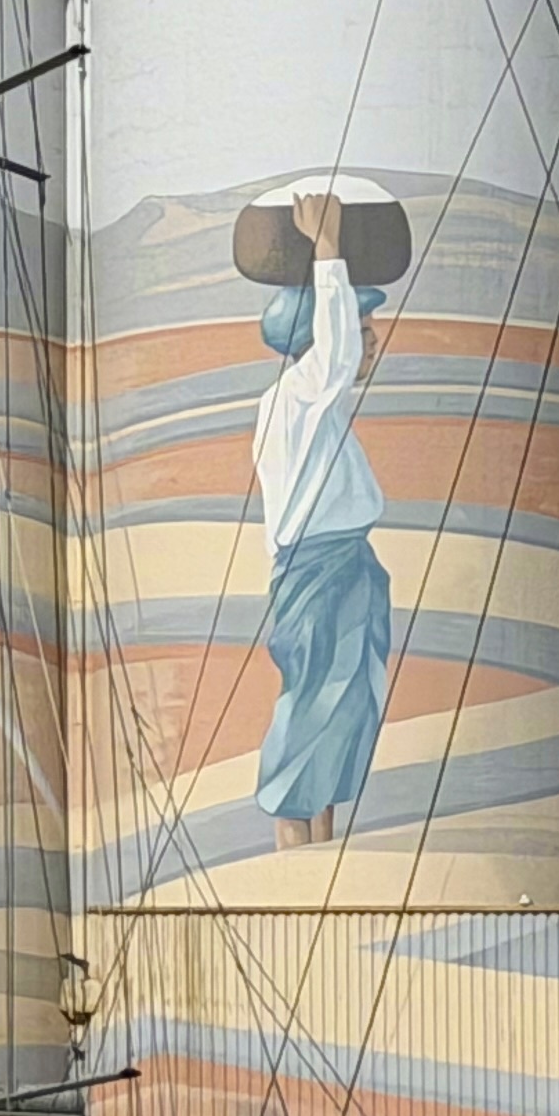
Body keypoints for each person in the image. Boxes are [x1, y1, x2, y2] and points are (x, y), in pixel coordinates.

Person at [253, 192, 394, 848]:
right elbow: (334, 352)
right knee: (316, 706)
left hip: (345, 570)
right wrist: (328, 249)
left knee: (343, 713)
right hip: (321, 574)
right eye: (365, 331)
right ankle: (296, 859)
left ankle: (323, 852)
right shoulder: (304, 393)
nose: (373, 345)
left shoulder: (312, 408)